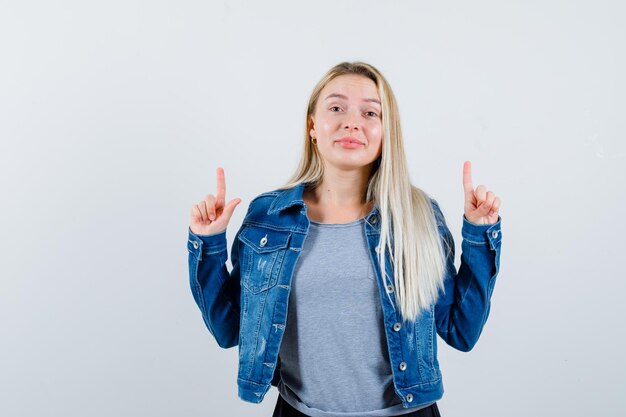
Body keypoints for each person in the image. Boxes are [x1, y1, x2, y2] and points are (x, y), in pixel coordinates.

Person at [187, 61, 503, 417]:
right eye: (336, 107)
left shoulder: (419, 217)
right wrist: (208, 244)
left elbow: (461, 331)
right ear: (312, 126)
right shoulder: (269, 218)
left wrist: (478, 235)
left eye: (370, 112)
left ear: (386, 132)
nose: (352, 122)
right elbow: (229, 330)